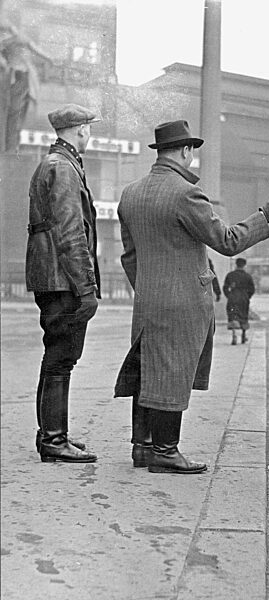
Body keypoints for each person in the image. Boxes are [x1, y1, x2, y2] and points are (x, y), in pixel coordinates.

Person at [114, 119, 269, 474]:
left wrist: (148, 287)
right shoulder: (185, 193)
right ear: (186, 151)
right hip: (183, 301)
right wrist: (264, 214)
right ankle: (165, 451)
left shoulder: (130, 193)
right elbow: (227, 241)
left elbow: (129, 256)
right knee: (172, 371)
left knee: (149, 369)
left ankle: (142, 447)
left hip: (148, 299)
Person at [26, 103, 101, 463]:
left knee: (55, 358)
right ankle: (55, 441)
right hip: (63, 280)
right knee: (61, 360)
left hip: (50, 276)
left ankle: (51, 436)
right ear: (81, 129)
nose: (91, 134)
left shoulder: (53, 163)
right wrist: (87, 288)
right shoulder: (65, 169)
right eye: (90, 128)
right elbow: (73, 234)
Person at [223, 257, 255, 345]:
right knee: (244, 315)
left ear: (236, 264)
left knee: (233, 315)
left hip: (233, 297)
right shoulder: (247, 276)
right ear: (244, 265)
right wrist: (247, 296)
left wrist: (229, 295)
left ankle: (234, 335)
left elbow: (225, 287)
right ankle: (243, 335)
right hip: (244, 298)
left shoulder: (230, 275)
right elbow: (252, 289)